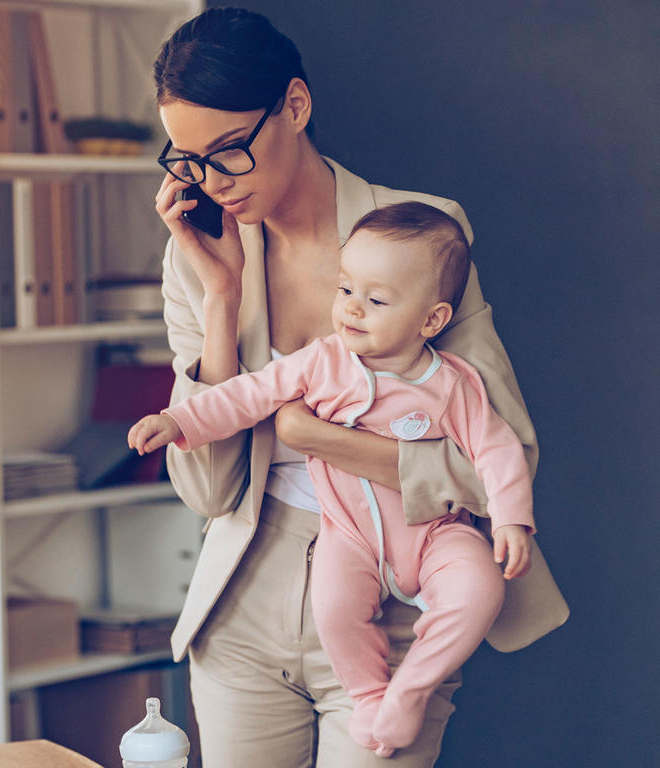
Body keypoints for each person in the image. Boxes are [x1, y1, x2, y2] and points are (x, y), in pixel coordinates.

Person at [148, 7, 569, 768]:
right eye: (185, 160)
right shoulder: (196, 259)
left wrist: (320, 440)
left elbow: (497, 463)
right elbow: (209, 493)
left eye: (229, 152)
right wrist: (220, 300)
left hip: (396, 599)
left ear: (296, 107)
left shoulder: (422, 237)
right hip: (244, 600)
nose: (209, 182)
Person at [130, 201, 535, 758]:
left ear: (432, 320)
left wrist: (512, 520)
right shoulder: (322, 361)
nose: (351, 310)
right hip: (347, 536)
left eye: (376, 300)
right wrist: (178, 420)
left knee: (481, 588)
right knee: (335, 604)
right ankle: (370, 693)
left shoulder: (452, 383)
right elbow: (248, 395)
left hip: (436, 533)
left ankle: (409, 689)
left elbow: (498, 449)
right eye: (345, 290)